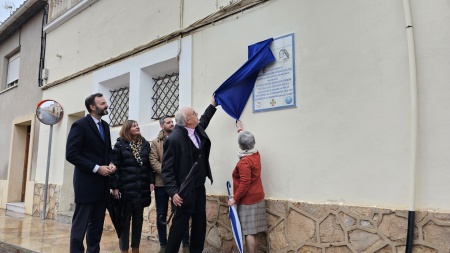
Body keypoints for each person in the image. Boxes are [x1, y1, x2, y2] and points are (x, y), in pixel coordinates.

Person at [161, 96, 217, 253]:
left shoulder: (196, 128)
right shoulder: (174, 139)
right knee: (178, 229)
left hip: (199, 189)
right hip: (183, 193)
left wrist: (212, 104)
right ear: (187, 121)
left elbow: (204, 119)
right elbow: (167, 170)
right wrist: (174, 192)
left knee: (199, 226)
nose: (197, 114)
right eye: (194, 113)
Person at [66, 93, 116, 253]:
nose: (106, 105)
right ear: (93, 107)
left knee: (96, 227)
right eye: (102, 103)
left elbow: (108, 150)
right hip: (86, 183)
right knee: (80, 227)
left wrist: (111, 163)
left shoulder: (106, 126)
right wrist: (96, 168)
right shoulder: (79, 125)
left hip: (102, 185)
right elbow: (71, 154)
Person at [109, 120, 155, 253]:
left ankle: (136, 248)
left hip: (141, 189)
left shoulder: (145, 144)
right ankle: (124, 249)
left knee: (138, 222)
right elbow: (114, 167)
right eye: (134, 126)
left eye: (137, 125)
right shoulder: (120, 145)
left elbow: (148, 166)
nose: (137, 127)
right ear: (127, 129)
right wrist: (115, 187)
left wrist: (151, 181)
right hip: (125, 190)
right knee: (124, 222)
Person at [150, 116, 190, 253]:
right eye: (168, 122)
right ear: (162, 126)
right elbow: (154, 162)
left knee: (180, 213)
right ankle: (163, 244)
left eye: (172, 122)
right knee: (161, 215)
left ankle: (185, 243)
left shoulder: (180, 139)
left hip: (177, 185)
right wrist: (169, 172)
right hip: (161, 184)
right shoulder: (155, 143)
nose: (171, 124)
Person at [227, 121, 267, 253]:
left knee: (249, 232)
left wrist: (235, 199)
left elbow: (245, 183)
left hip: (247, 200)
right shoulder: (256, 154)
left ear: (240, 145)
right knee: (254, 231)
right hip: (258, 196)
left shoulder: (244, 162)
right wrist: (240, 129)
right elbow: (246, 141)